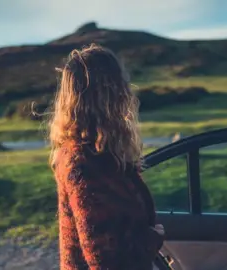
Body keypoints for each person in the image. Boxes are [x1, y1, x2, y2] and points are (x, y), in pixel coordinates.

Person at [49, 43, 165, 269]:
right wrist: (151, 239)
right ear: (109, 93)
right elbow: (103, 258)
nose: (127, 90)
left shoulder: (98, 154)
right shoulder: (83, 164)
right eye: (121, 83)